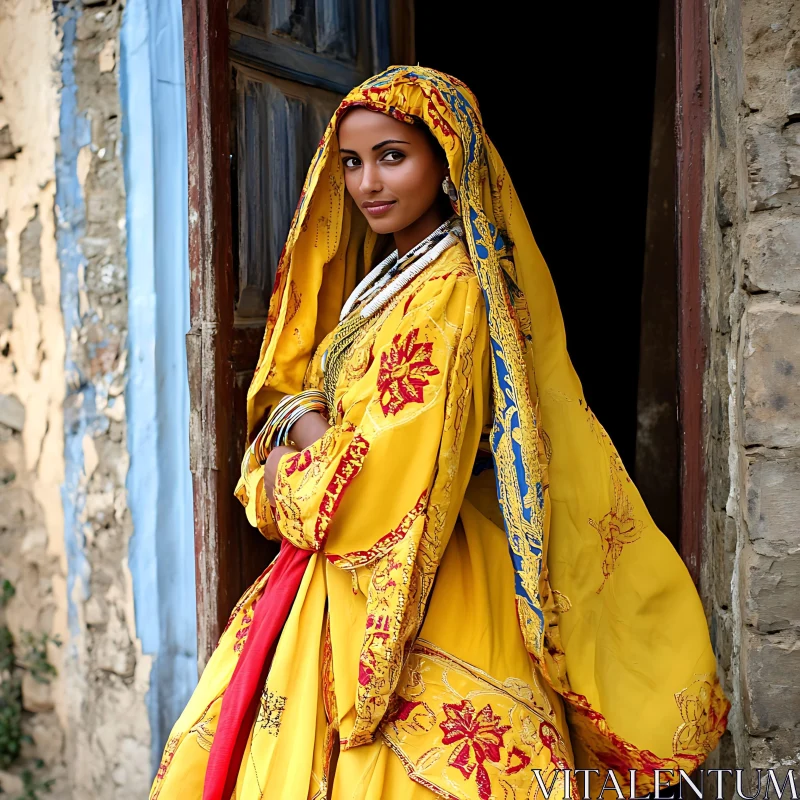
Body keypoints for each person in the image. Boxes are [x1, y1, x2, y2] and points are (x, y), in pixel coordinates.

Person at [150, 66, 729, 800]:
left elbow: (366, 492)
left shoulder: (451, 288)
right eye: (353, 162)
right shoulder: (388, 277)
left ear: (445, 159)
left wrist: (294, 433)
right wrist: (303, 421)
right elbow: (315, 426)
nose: (367, 183)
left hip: (415, 573)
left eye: (393, 155)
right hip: (346, 577)